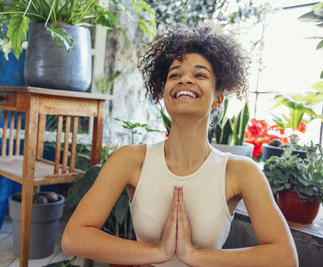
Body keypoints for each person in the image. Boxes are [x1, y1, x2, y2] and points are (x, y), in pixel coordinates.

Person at [61, 25, 298, 267]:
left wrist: (193, 256)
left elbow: (285, 258)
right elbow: (73, 237)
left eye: (200, 75)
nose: (185, 79)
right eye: (175, 75)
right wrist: (159, 252)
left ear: (218, 99)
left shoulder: (241, 172)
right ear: (164, 93)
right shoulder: (131, 160)